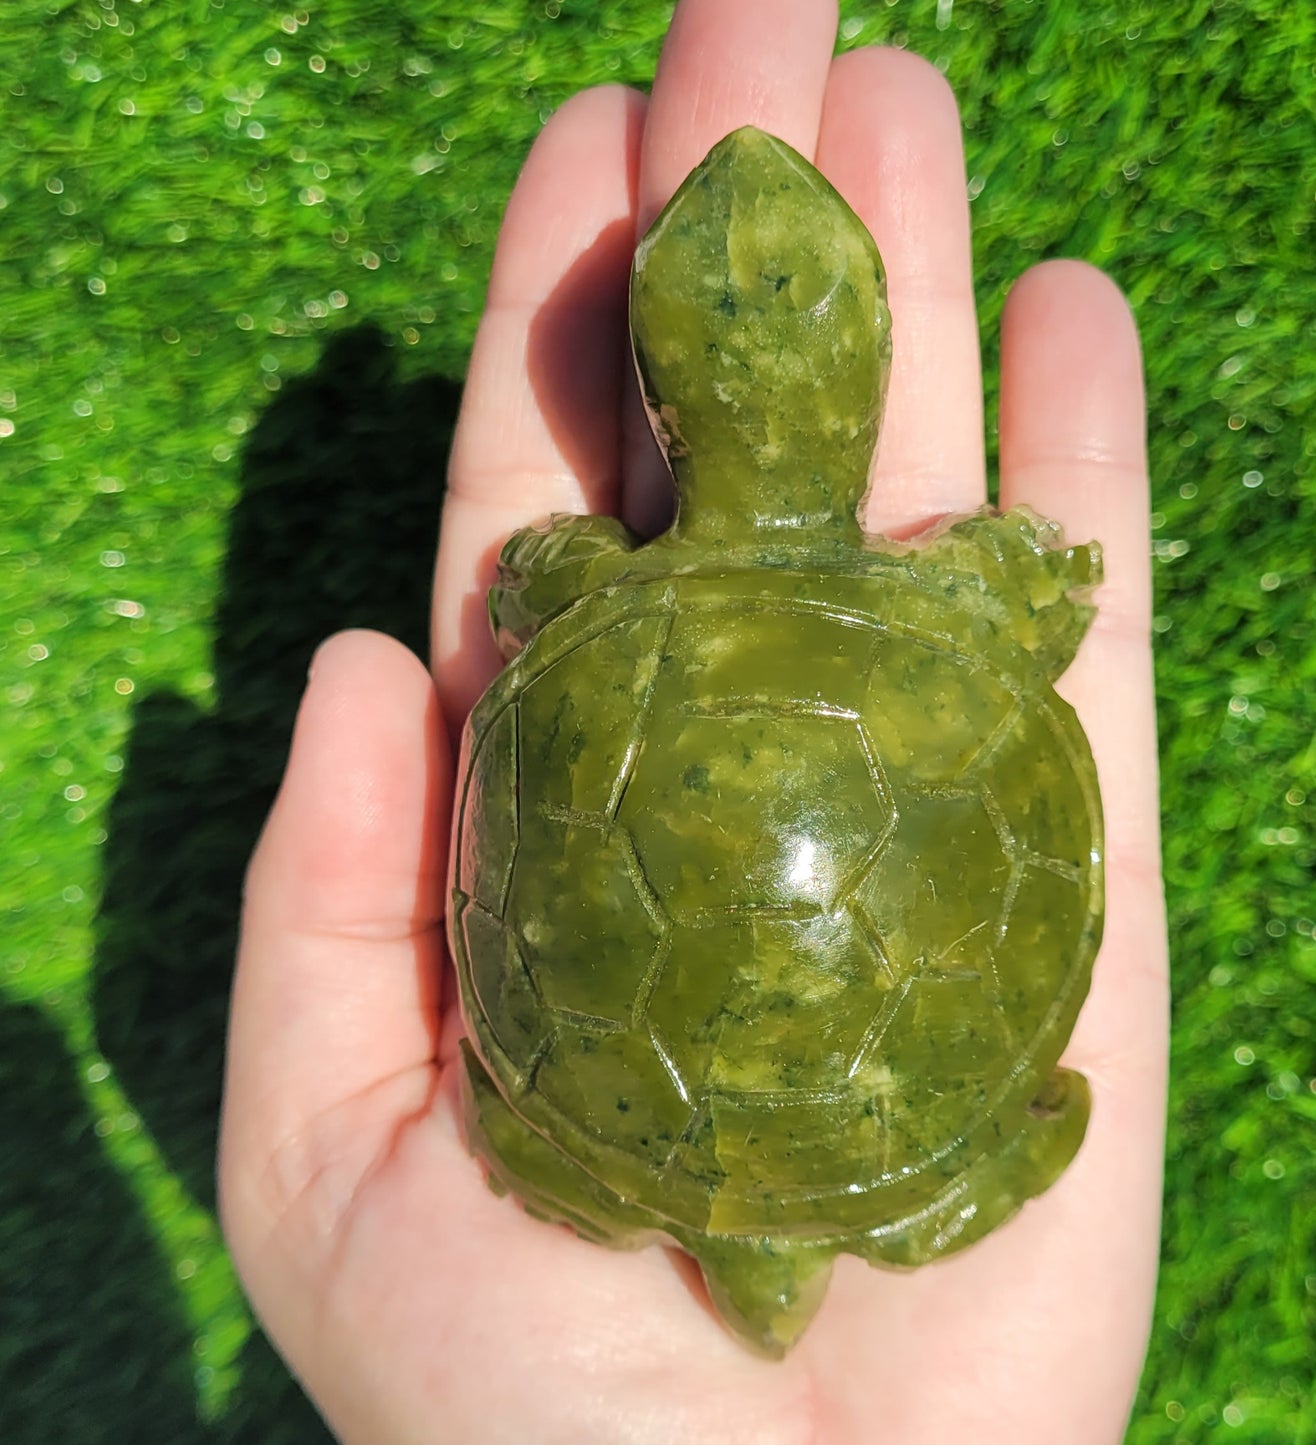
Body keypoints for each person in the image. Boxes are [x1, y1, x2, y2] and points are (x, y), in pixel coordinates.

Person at [218, 0, 1169, 1439]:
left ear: (664, 393)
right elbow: (1021, 612)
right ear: (866, 358)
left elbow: (542, 584)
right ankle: (921, 1167)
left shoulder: (590, 598)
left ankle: (620, 1161)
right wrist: (1031, 577)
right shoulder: (949, 606)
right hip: (905, 1136)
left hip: (616, 1132)